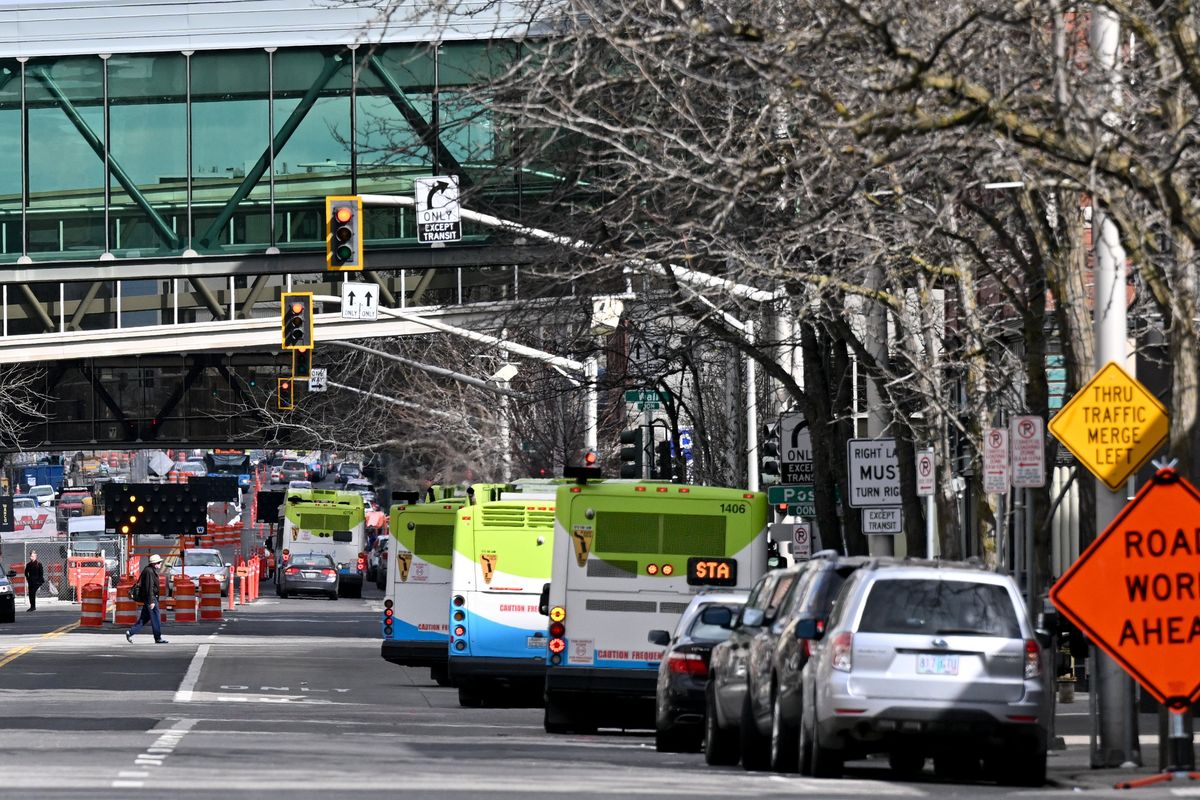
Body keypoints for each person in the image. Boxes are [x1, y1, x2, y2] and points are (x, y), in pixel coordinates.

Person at [125, 554, 168, 644]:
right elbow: (149, 587)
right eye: (159, 562)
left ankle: (130, 632)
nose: (160, 564)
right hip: (151, 599)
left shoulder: (149, 570)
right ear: (154, 563)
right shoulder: (149, 572)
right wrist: (151, 601)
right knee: (156, 618)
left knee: (144, 619)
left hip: (149, 598)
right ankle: (158, 637)